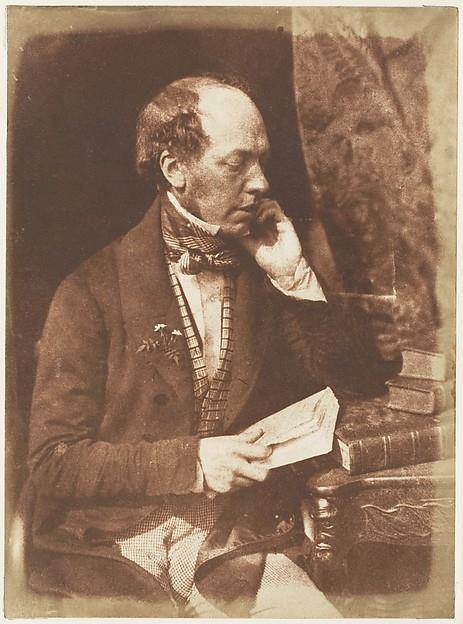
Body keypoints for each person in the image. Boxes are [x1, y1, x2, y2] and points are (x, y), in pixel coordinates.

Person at [22, 74, 394, 617]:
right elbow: (52, 463)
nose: (261, 182)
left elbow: (359, 385)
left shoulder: (266, 265)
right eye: (236, 162)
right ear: (176, 170)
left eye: (262, 161)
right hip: (109, 546)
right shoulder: (89, 292)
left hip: (229, 542)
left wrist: (293, 278)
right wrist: (193, 461)